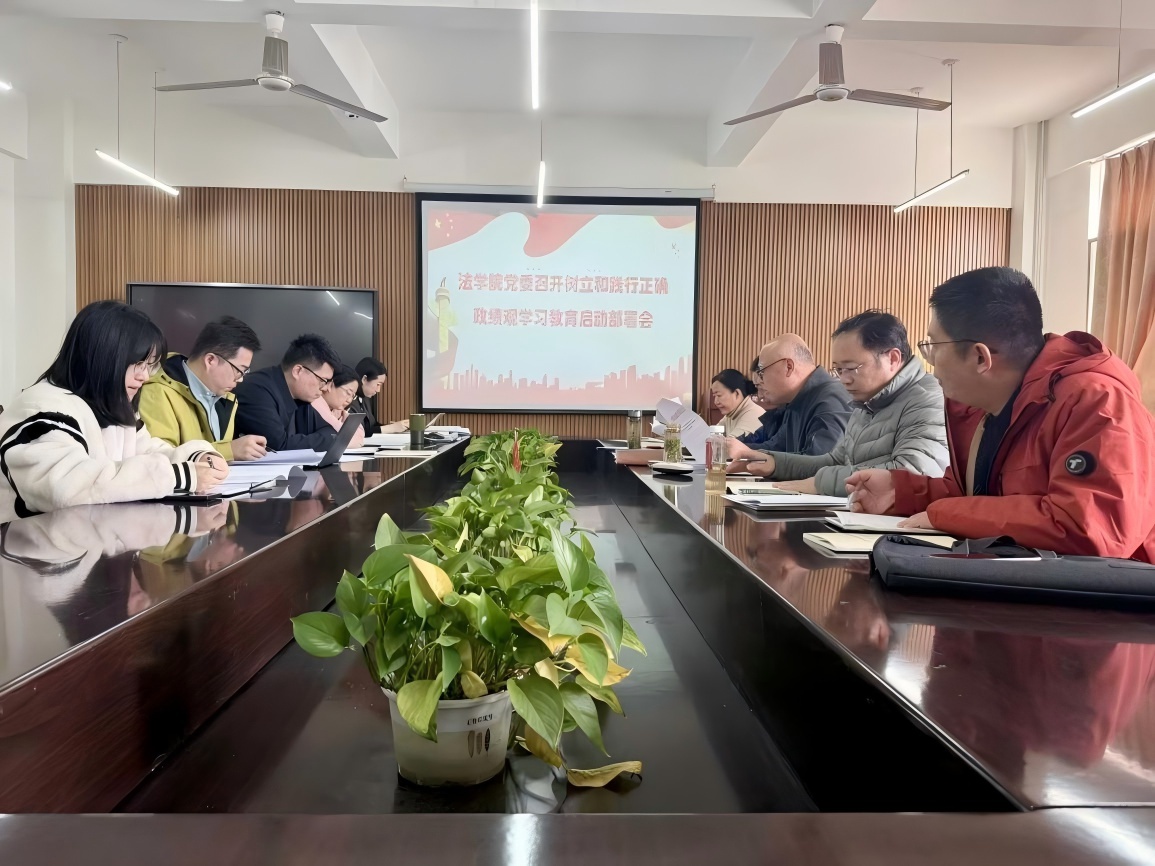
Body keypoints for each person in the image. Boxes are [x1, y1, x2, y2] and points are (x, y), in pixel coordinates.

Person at [846, 267, 1155, 562]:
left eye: (933, 346)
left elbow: (1091, 528)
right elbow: (975, 496)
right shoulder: (981, 405)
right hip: (1019, 578)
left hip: (1114, 593)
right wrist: (900, 492)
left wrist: (944, 514)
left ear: (981, 357)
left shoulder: (1096, 401)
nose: (930, 361)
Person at [0, 301, 228, 520]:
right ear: (101, 357)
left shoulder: (110, 404)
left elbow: (147, 451)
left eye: (150, 365)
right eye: (138, 364)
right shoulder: (42, 408)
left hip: (88, 539)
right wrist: (180, 476)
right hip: (27, 544)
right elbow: (66, 488)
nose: (145, 376)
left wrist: (196, 457)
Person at [730, 311, 948, 496]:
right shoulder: (866, 403)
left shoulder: (926, 398)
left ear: (892, 358)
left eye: (851, 368)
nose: (844, 380)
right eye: (839, 370)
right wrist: (774, 463)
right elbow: (835, 460)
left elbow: (912, 474)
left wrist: (821, 483)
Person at [138, 316, 269, 462]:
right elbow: (159, 460)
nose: (240, 379)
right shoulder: (158, 391)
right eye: (239, 370)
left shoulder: (226, 398)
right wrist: (229, 450)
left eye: (245, 372)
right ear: (210, 360)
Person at [728, 334, 850, 454]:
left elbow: (820, 462)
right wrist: (730, 447)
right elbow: (777, 448)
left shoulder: (830, 401)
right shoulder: (796, 401)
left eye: (761, 372)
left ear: (788, 367)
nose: (760, 381)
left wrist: (742, 451)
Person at [233, 333, 342, 452]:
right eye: (322, 380)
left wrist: (330, 438)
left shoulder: (300, 397)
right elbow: (278, 447)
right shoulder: (256, 390)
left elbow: (329, 431)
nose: (324, 388)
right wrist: (330, 440)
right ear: (298, 371)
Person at [307, 364, 366, 448]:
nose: (349, 400)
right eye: (348, 393)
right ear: (330, 385)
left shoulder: (337, 411)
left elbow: (360, 436)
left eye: (353, 396)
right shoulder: (315, 403)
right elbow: (346, 439)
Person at [350, 357, 408, 436]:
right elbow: (356, 431)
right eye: (378, 384)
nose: (378, 390)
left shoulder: (365, 398)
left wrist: (396, 427)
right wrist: (391, 428)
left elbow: (371, 426)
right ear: (364, 379)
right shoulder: (348, 400)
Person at [709, 369, 763, 438]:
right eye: (714, 396)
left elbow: (730, 444)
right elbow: (713, 435)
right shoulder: (731, 413)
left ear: (737, 393)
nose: (715, 402)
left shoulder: (753, 415)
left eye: (719, 395)